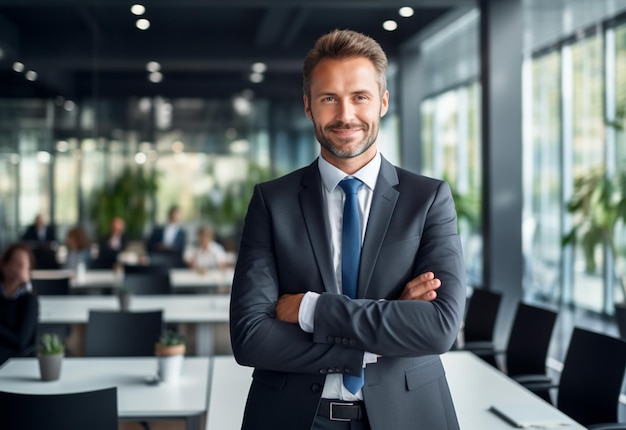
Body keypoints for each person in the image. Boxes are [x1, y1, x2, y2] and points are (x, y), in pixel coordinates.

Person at [229, 29, 466, 430]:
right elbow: (250, 336)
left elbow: (440, 328)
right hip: (293, 418)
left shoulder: (427, 199)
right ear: (308, 107)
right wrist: (385, 330)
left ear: (383, 102)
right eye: (328, 99)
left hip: (409, 416)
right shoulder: (273, 202)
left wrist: (310, 309)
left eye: (360, 97)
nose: (345, 115)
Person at [0, 242, 39, 365]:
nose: (17, 269)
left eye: (22, 266)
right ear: (4, 265)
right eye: (14, 263)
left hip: (16, 360)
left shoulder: (29, 299)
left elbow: (21, 341)